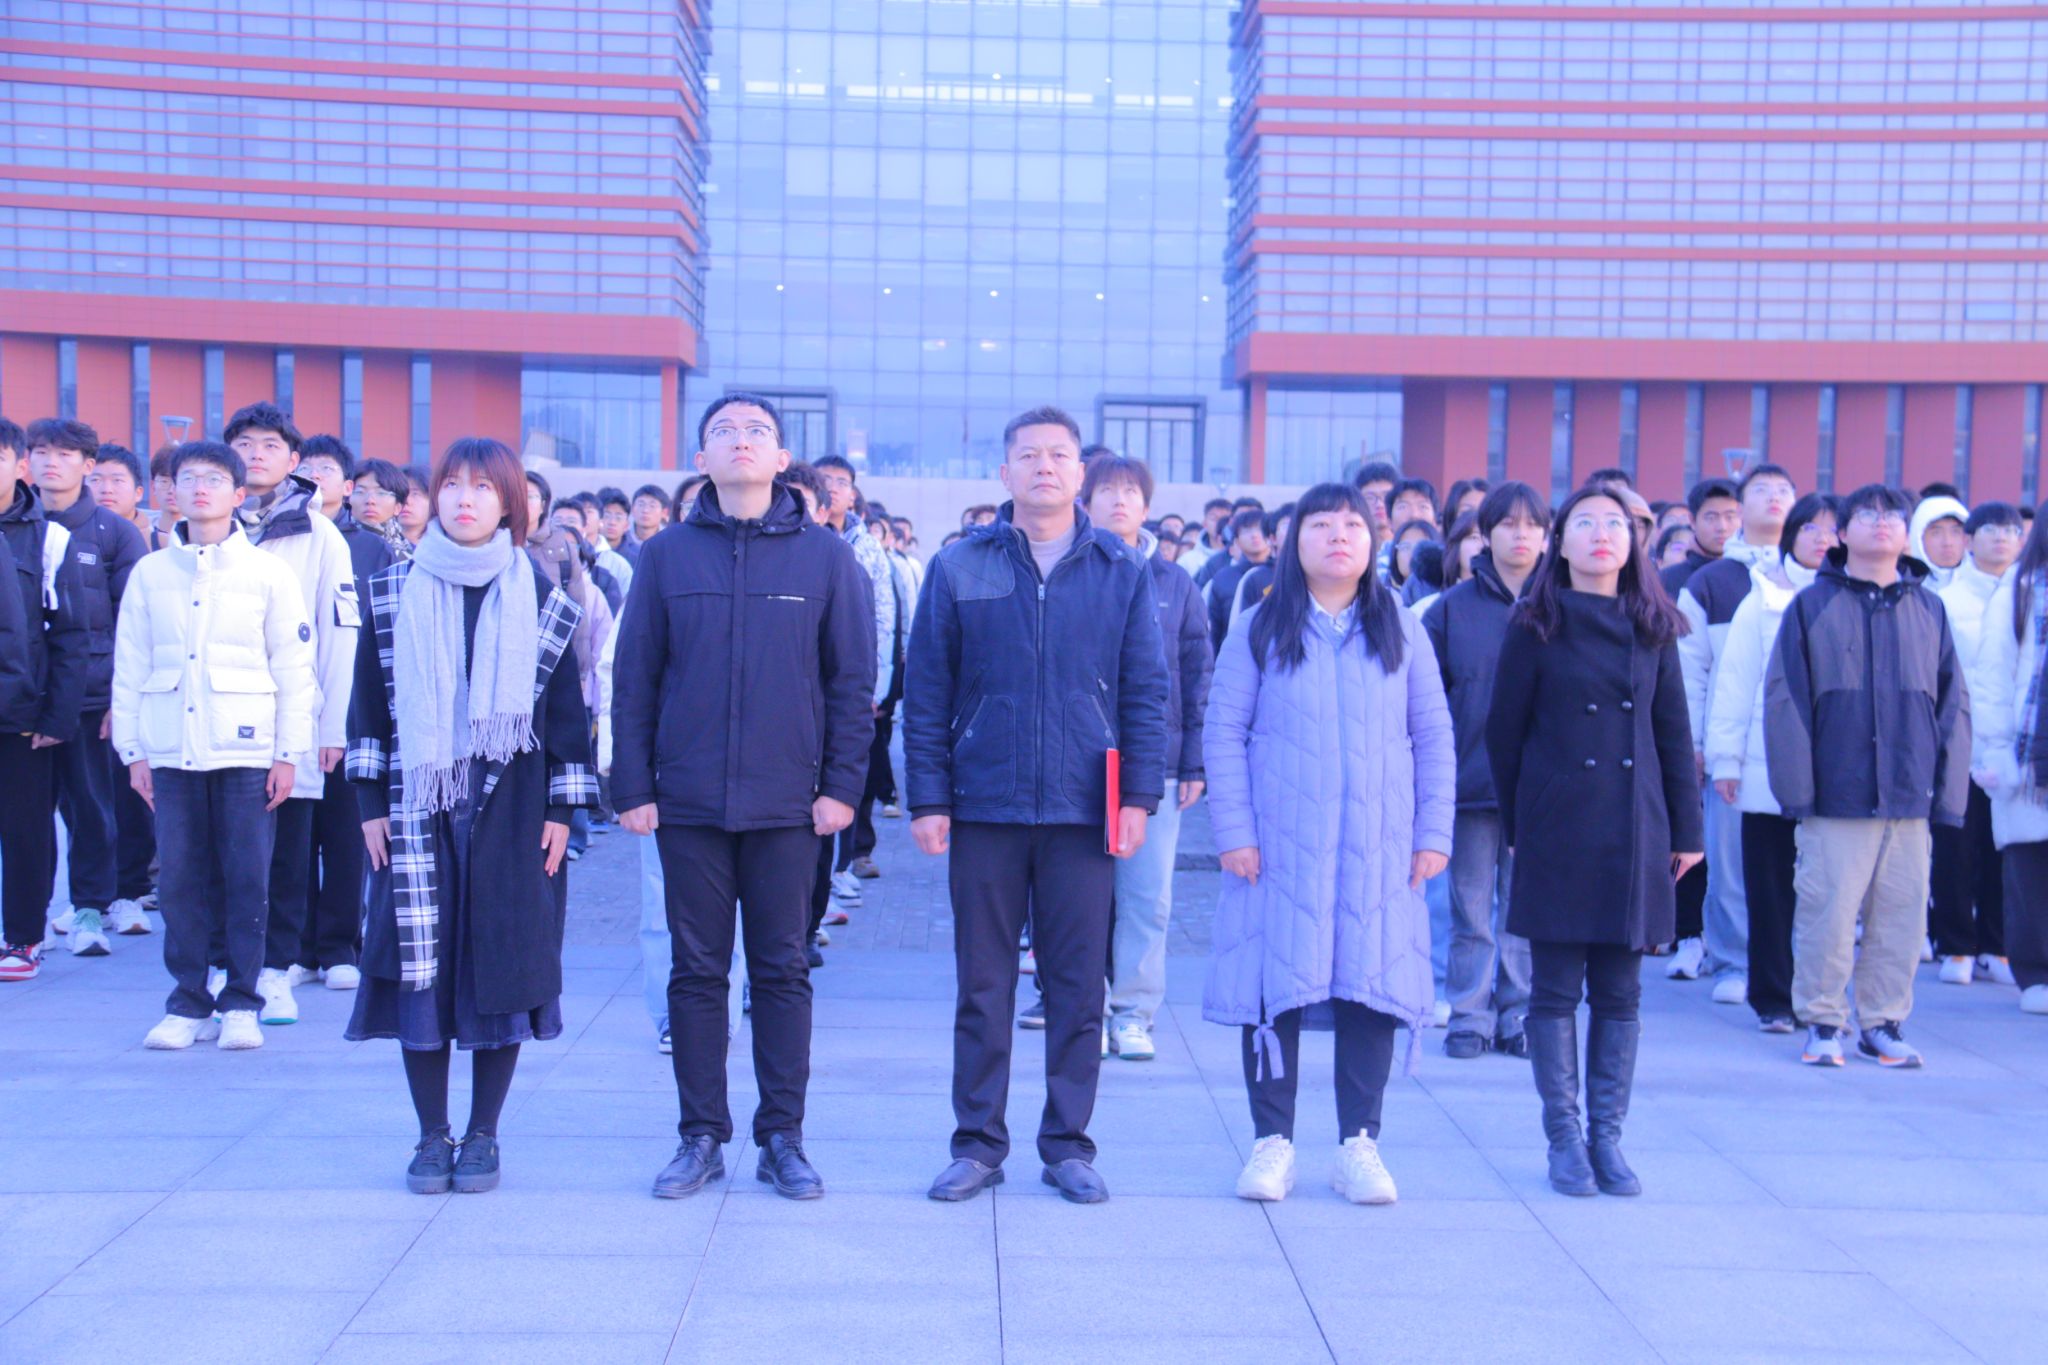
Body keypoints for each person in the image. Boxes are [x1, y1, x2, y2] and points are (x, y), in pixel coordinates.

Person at [612, 395, 875, 1202]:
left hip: (790, 804)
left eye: (757, 431)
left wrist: (842, 788)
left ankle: (782, 1136)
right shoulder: (666, 557)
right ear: (702, 458)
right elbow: (634, 679)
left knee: (782, 969)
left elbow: (852, 683)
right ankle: (700, 1135)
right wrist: (633, 784)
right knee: (696, 971)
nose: (741, 441)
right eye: (723, 431)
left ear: (781, 457)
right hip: (688, 801)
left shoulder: (826, 558)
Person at [906, 404, 1168, 1206]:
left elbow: (1145, 690)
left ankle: (1068, 1144)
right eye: (1029, 455)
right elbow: (927, 688)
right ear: (1005, 472)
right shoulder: (962, 564)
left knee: (1077, 985)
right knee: (982, 984)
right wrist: (928, 796)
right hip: (985, 803)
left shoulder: (1120, 567)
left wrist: (1140, 796)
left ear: (1080, 471)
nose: (1044, 466)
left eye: (1059, 455)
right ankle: (978, 1143)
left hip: (1083, 809)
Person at [346, 436, 595, 1196]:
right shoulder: (393, 588)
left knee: (501, 967)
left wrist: (563, 809)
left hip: (512, 810)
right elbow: (368, 704)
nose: (464, 499)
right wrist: (368, 803)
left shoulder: (542, 597)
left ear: (510, 503)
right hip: (416, 803)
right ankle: (432, 1135)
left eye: (483, 487)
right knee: (419, 969)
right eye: (452, 484)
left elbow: (566, 717)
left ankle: (483, 1132)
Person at [1208, 482, 1454, 1205]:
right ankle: (1272, 1141)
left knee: (1370, 987)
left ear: (1374, 541)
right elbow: (1223, 732)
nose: (1338, 536)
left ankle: (1359, 1145)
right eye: (1321, 524)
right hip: (1280, 845)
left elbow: (1434, 735)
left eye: (1352, 524)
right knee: (1274, 985)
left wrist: (1432, 832)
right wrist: (1235, 831)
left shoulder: (1401, 628)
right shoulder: (1258, 625)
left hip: (1381, 845)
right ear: (1295, 540)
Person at [1487, 483, 1701, 1198]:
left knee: (1620, 992)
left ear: (1634, 542)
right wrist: (1521, 823)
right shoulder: (1534, 623)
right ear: (1562, 542)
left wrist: (1687, 830)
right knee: (1553, 991)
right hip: (1558, 823)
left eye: (1615, 523)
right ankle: (1564, 1139)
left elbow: (1673, 734)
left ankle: (1607, 1137)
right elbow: (1504, 733)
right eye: (1585, 522)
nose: (1602, 534)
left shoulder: (1654, 625)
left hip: (1635, 825)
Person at [114, 441, 316, 1050]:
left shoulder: (268, 573)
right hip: (171, 750)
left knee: (247, 878)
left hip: (246, 751)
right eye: (189, 478)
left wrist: (288, 753)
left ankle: (241, 1002)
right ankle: (188, 1001)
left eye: (214, 479)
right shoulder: (151, 573)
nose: (200, 488)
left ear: (238, 494)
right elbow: (130, 665)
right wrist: (133, 750)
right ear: (170, 491)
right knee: (179, 881)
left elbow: (294, 667)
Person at [1765, 483, 1970, 1069]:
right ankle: (1823, 1022)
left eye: (1892, 517)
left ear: (1906, 535)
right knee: (1827, 915)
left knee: (1901, 918)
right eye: (1867, 515)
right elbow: (1785, 701)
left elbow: (1952, 706)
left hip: (1908, 794)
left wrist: (1947, 793)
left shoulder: (1928, 608)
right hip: (1838, 792)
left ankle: (1883, 1023)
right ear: (1843, 532)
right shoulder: (1812, 605)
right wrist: (1799, 790)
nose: (1881, 524)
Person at [222, 401, 359, 1026]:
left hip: (291, 717)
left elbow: (339, 635)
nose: (256, 454)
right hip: (219, 719)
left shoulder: (319, 532)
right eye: (244, 444)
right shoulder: (206, 527)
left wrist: (331, 727)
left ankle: (275, 970)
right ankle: (227, 968)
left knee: (288, 853)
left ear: (293, 459)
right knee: (222, 853)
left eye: (270, 445)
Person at [1079, 456, 1213, 1063]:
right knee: (1080, 895)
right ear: (1086, 502)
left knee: (1146, 896)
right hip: (1078, 759)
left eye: (1130, 491)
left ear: (1147, 505)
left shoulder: (1174, 582)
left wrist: (1194, 761)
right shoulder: (1068, 569)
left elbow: (1197, 672)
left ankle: (1133, 1014)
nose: (1119, 501)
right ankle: (1083, 1008)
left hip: (1153, 763)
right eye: (1106, 490)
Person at [1424, 481, 1551, 1060]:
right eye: (1507, 524)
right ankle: (1469, 1015)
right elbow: (1426, 704)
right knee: (1470, 911)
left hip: (1542, 789)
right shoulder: (1451, 610)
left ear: (1546, 536)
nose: (1520, 535)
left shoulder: (1563, 605)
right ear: (1486, 535)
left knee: (1524, 911)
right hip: (1471, 784)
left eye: (1532, 525)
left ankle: (1518, 1013)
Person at [1705, 493, 1840, 1034]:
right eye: (1811, 528)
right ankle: (1773, 998)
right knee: (1770, 887)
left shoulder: (1851, 596)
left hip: (1835, 772)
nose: (1823, 539)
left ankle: (1819, 997)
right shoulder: (1761, 597)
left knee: (1826, 895)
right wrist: (1726, 759)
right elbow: (1735, 682)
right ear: (1791, 535)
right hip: (1768, 769)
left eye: (1832, 530)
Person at [1672, 462, 1799, 1004]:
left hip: (1801, 752)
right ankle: (1732, 960)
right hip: (1735, 749)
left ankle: (1794, 966)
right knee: (1730, 863)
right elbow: (1690, 669)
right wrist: (1697, 743)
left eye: (1783, 490)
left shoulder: (1813, 576)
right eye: (1761, 490)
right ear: (1740, 509)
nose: (1773, 498)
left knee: (1799, 867)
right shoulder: (1711, 582)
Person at [28, 419, 150, 954]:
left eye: (64, 454)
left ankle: (89, 911)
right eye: (41, 452)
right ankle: (27, 922)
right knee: (26, 815)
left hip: (91, 695)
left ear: (87, 464)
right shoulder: (16, 525)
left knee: (93, 809)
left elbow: (137, 625)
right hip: (22, 698)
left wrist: (123, 699)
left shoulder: (114, 533)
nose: (51, 462)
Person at [299, 434, 394, 990]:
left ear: (348, 485)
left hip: (350, 703)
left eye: (327, 468)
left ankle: (339, 944)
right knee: (293, 837)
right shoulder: (278, 537)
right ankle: (296, 945)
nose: (316, 476)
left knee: (343, 830)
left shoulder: (371, 548)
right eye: (307, 467)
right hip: (290, 706)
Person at [0, 418, 89, 984]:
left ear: (18, 465)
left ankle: (23, 937)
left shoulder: (49, 540)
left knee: (26, 831)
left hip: (22, 714)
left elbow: (72, 635)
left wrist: (57, 716)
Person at [1932, 501, 2024, 985]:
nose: (2001, 538)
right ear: (1969, 540)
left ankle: (1996, 946)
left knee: (2004, 847)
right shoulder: (1946, 599)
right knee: (1955, 847)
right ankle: (1955, 946)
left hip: (2010, 742)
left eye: (2010, 530)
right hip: (1958, 739)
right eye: (1990, 529)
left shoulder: (2028, 597)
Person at [1970, 508, 2048, 1016]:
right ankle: (2037, 973)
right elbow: (1993, 677)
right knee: (2031, 867)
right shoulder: (2020, 590)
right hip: (2030, 752)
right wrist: (1996, 749)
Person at [1206, 507, 1271, 647]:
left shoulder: (1283, 574)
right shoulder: (1223, 578)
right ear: (1236, 541)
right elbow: (1213, 631)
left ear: (1271, 535)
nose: (1254, 535)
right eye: (1246, 531)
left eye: (1259, 529)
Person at [349, 458, 415, 562]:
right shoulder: (336, 542)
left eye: (380, 493)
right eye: (360, 492)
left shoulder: (414, 557)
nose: (370, 500)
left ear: (397, 507)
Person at [1909, 493, 1970, 590]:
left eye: (1955, 532)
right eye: (1936, 533)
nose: (1948, 542)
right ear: (1918, 538)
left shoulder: (1983, 588)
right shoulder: (1903, 589)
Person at [597, 487, 637, 563]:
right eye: (606, 516)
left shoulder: (637, 556)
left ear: (626, 525)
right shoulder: (583, 552)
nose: (612, 522)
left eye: (618, 518)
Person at [629, 483, 670, 549]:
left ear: (664, 512)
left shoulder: (669, 539)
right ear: (632, 509)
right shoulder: (620, 535)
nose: (645, 510)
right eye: (641, 504)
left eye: (652, 506)